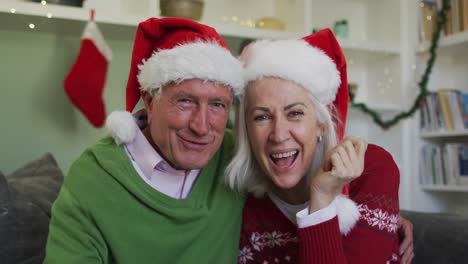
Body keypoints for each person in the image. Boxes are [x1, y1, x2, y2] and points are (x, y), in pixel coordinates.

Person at [44, 17, 246, 263]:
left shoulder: (236, 156)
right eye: (185, 101)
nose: (201, 127)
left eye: (217, 105)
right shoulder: (92, 177)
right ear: (150, 102)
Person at [225, 29, 411, 263]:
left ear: (322, 123)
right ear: (246, 130)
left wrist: (321, 199)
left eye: (294, 113)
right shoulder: (244, 203)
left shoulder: (371, 168)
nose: (279, 134)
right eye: (262, 117)